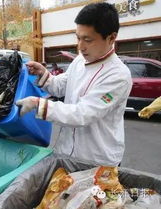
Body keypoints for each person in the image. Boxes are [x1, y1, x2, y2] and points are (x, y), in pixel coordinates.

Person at [16, 2, 132, 167]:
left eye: (87, 39)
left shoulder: (118, 75)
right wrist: (44, 74)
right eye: (78, 37)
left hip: (97, 160)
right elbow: (62, 85)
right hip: (66, 152)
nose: (80, 46)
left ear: (111, 37)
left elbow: (83, 113)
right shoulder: (80, 60)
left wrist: (38, 104)